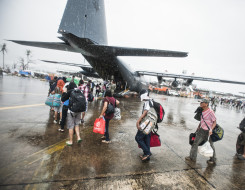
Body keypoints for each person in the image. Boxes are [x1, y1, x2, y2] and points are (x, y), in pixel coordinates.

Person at [185, 99, 217, 164]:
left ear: (206, 104)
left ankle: (213, 159)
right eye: (200, 102)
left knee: (210, 145)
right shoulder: (201, 110)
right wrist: (199, 126)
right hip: (201, 130)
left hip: (209, 131)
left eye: (202, 102)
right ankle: (192, 157)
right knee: (195, 143)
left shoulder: (210, 112)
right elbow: (202, 120)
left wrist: (211, 129)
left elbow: (215, 122)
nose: (201, 103)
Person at [135, 89, 153, 161]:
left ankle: (147, 153)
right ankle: (146, 156)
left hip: (146, 123)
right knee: (146, 139)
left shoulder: (147, 102)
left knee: (138, 138)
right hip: (150, 124)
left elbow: (145, 112)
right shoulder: (151, 101)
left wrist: (138, 121)